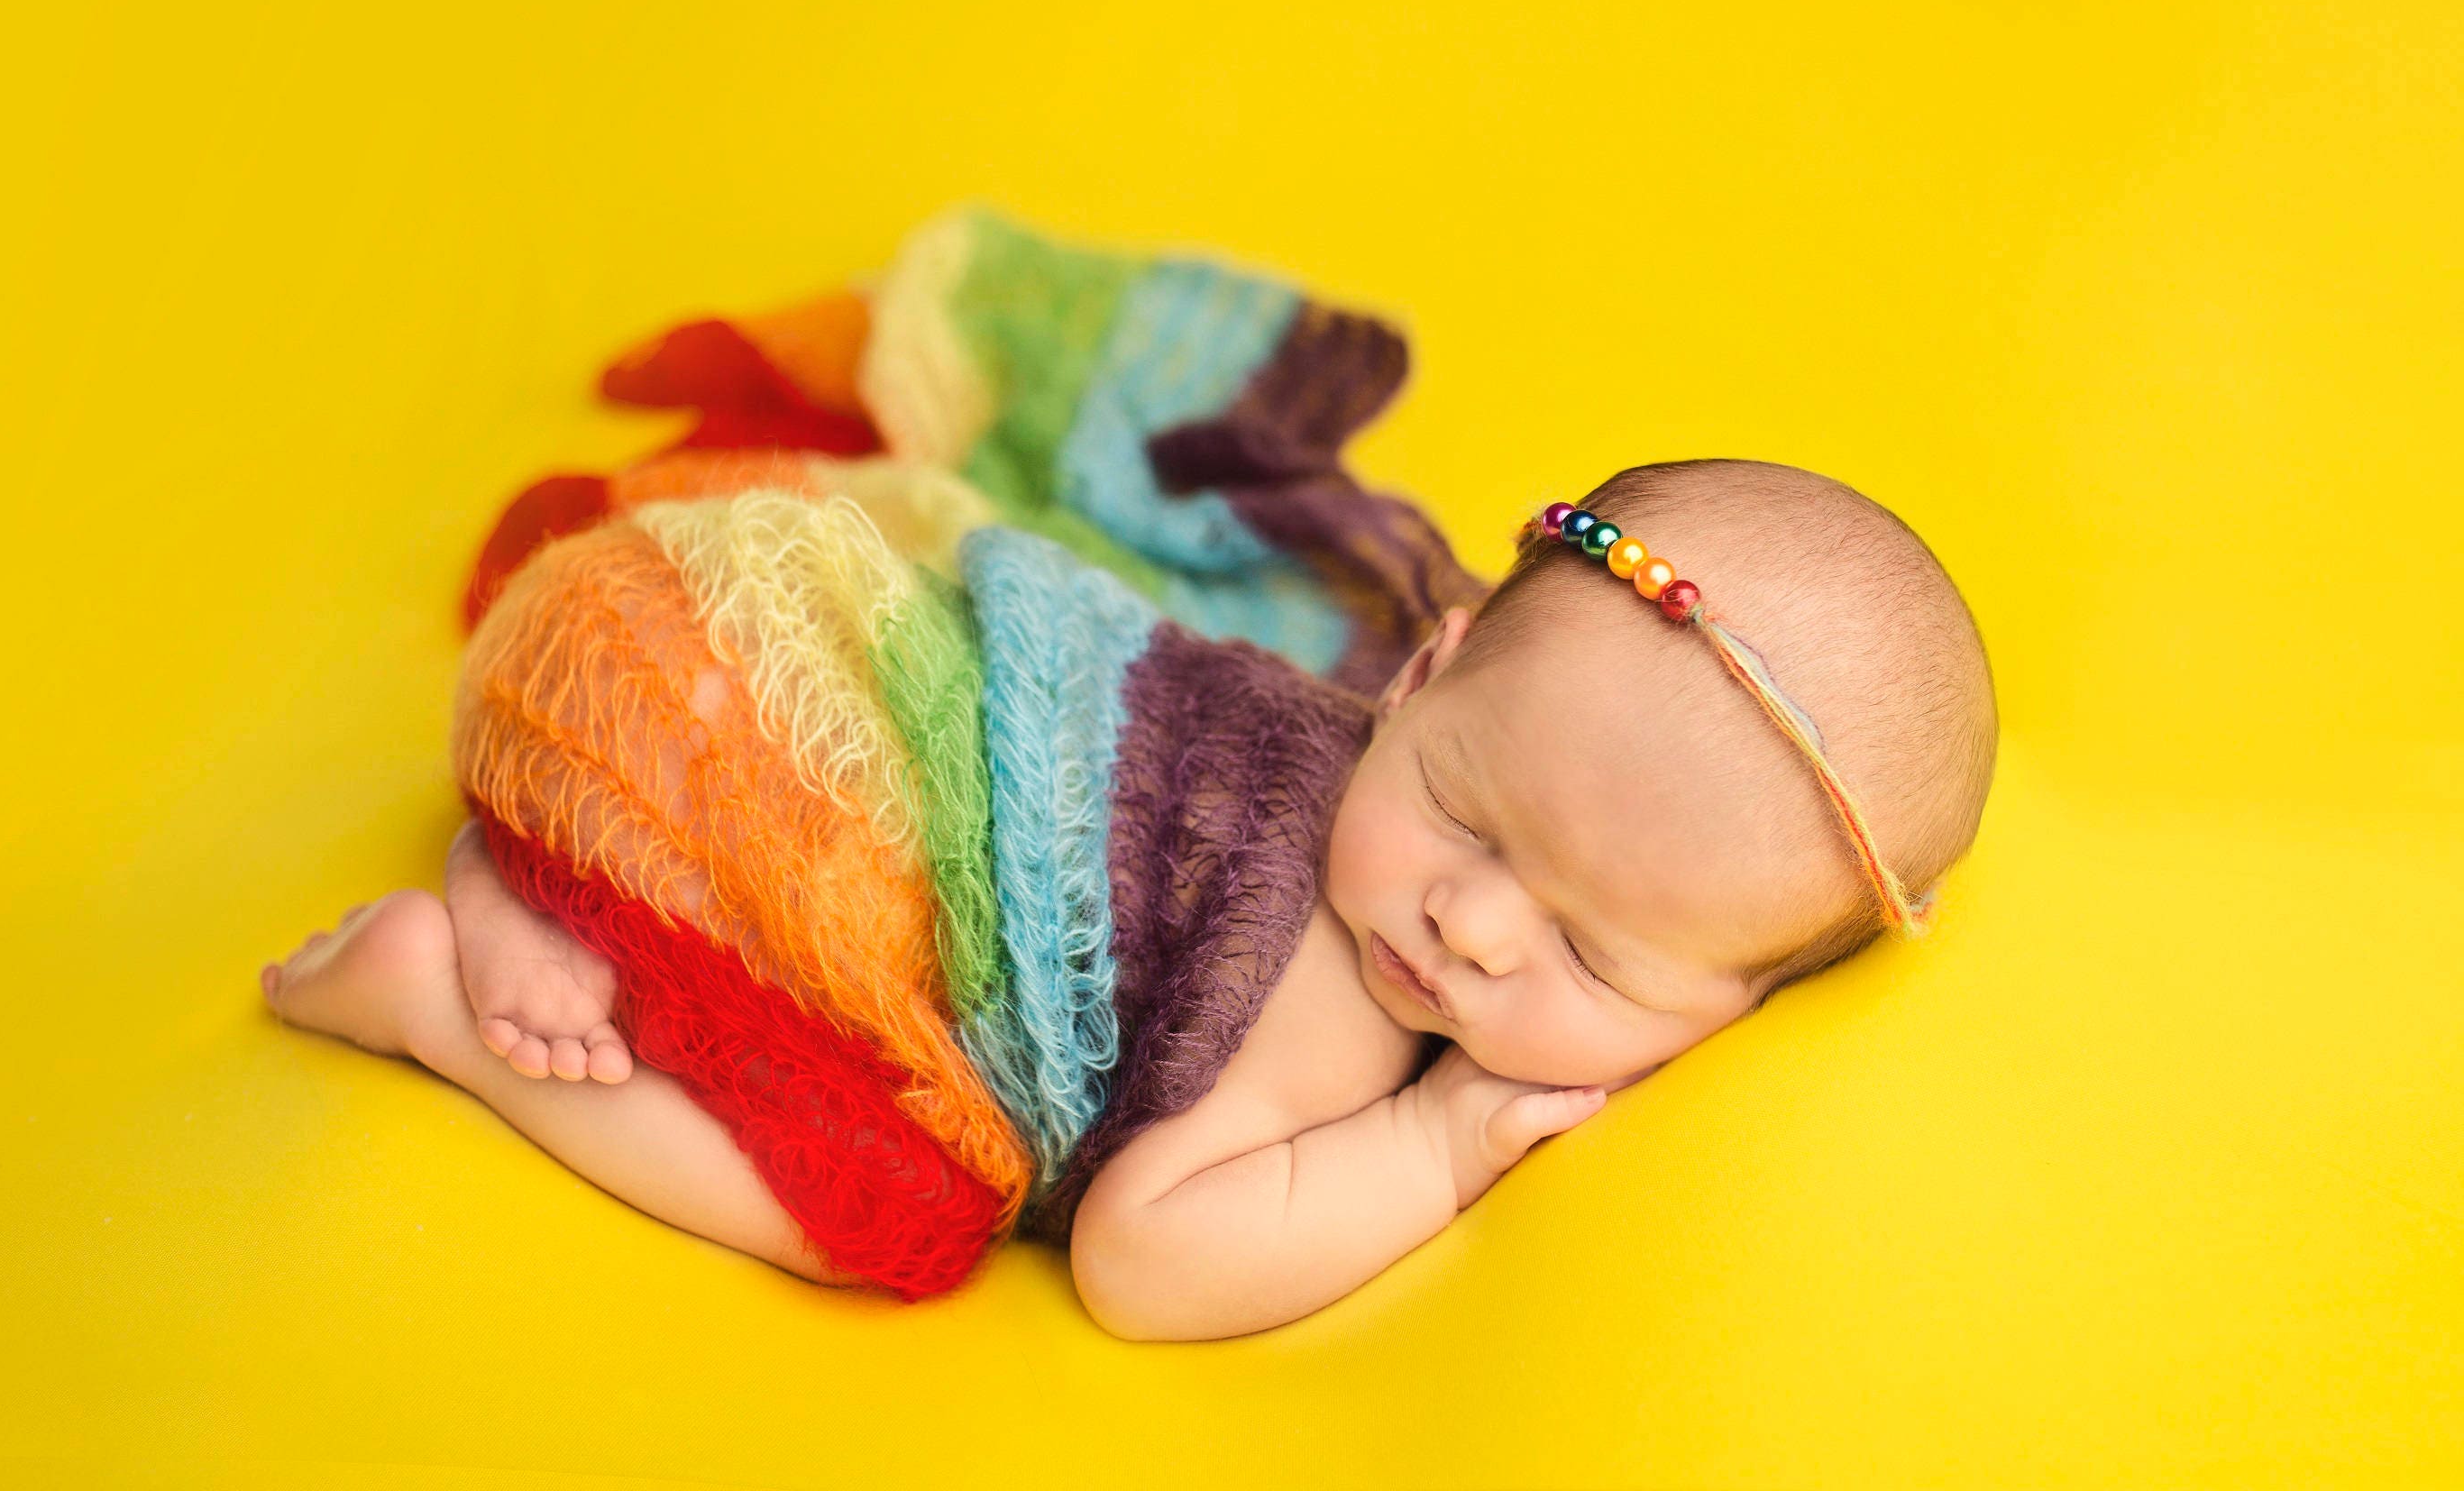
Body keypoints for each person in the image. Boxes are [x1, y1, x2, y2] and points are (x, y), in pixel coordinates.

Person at [260, 454, 1996, 1340]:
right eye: (1461, 809)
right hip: (759, 755)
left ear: (1746, 1008)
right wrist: (1436, 1148)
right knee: (880, 1206)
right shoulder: (1333, 1003)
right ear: (1424, 672)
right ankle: (449, 996)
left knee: (748, 866)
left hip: (676, 661)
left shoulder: (1425, 781)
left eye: (1592, 954)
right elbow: (1142, 1259)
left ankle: (536, 861)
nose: (1470, 925)